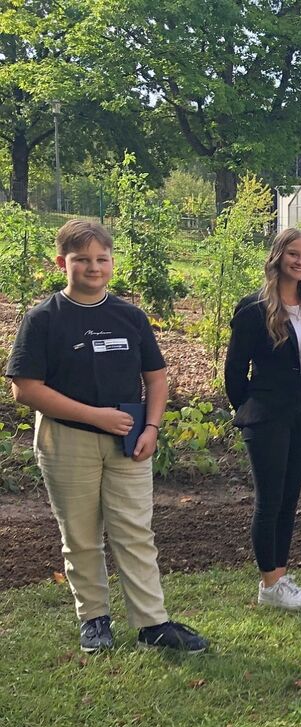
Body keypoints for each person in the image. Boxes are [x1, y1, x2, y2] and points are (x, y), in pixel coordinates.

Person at [7, 220, 208, 653]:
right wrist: (95, 417)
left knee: (135, 531)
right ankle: (94, 619)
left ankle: (152, 624)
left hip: (129, 440)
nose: (93, 267)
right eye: (82, 259)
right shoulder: (43, 319)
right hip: (67, 438)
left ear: (112, 263)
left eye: (102, 259)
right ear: (61, 263)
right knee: (81, 535)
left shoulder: (130, 317)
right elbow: (25, 388)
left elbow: (156, 379)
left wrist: (152, 428)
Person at [226, 227, 301, 612]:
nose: (300, 261)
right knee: (269, 499)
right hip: (266, 412)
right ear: (278, 256)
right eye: (293, 254)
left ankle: (279, 577)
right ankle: (268, 581)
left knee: (289, 497)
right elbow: (235, 369)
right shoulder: (254, 308)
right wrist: (249, 408)